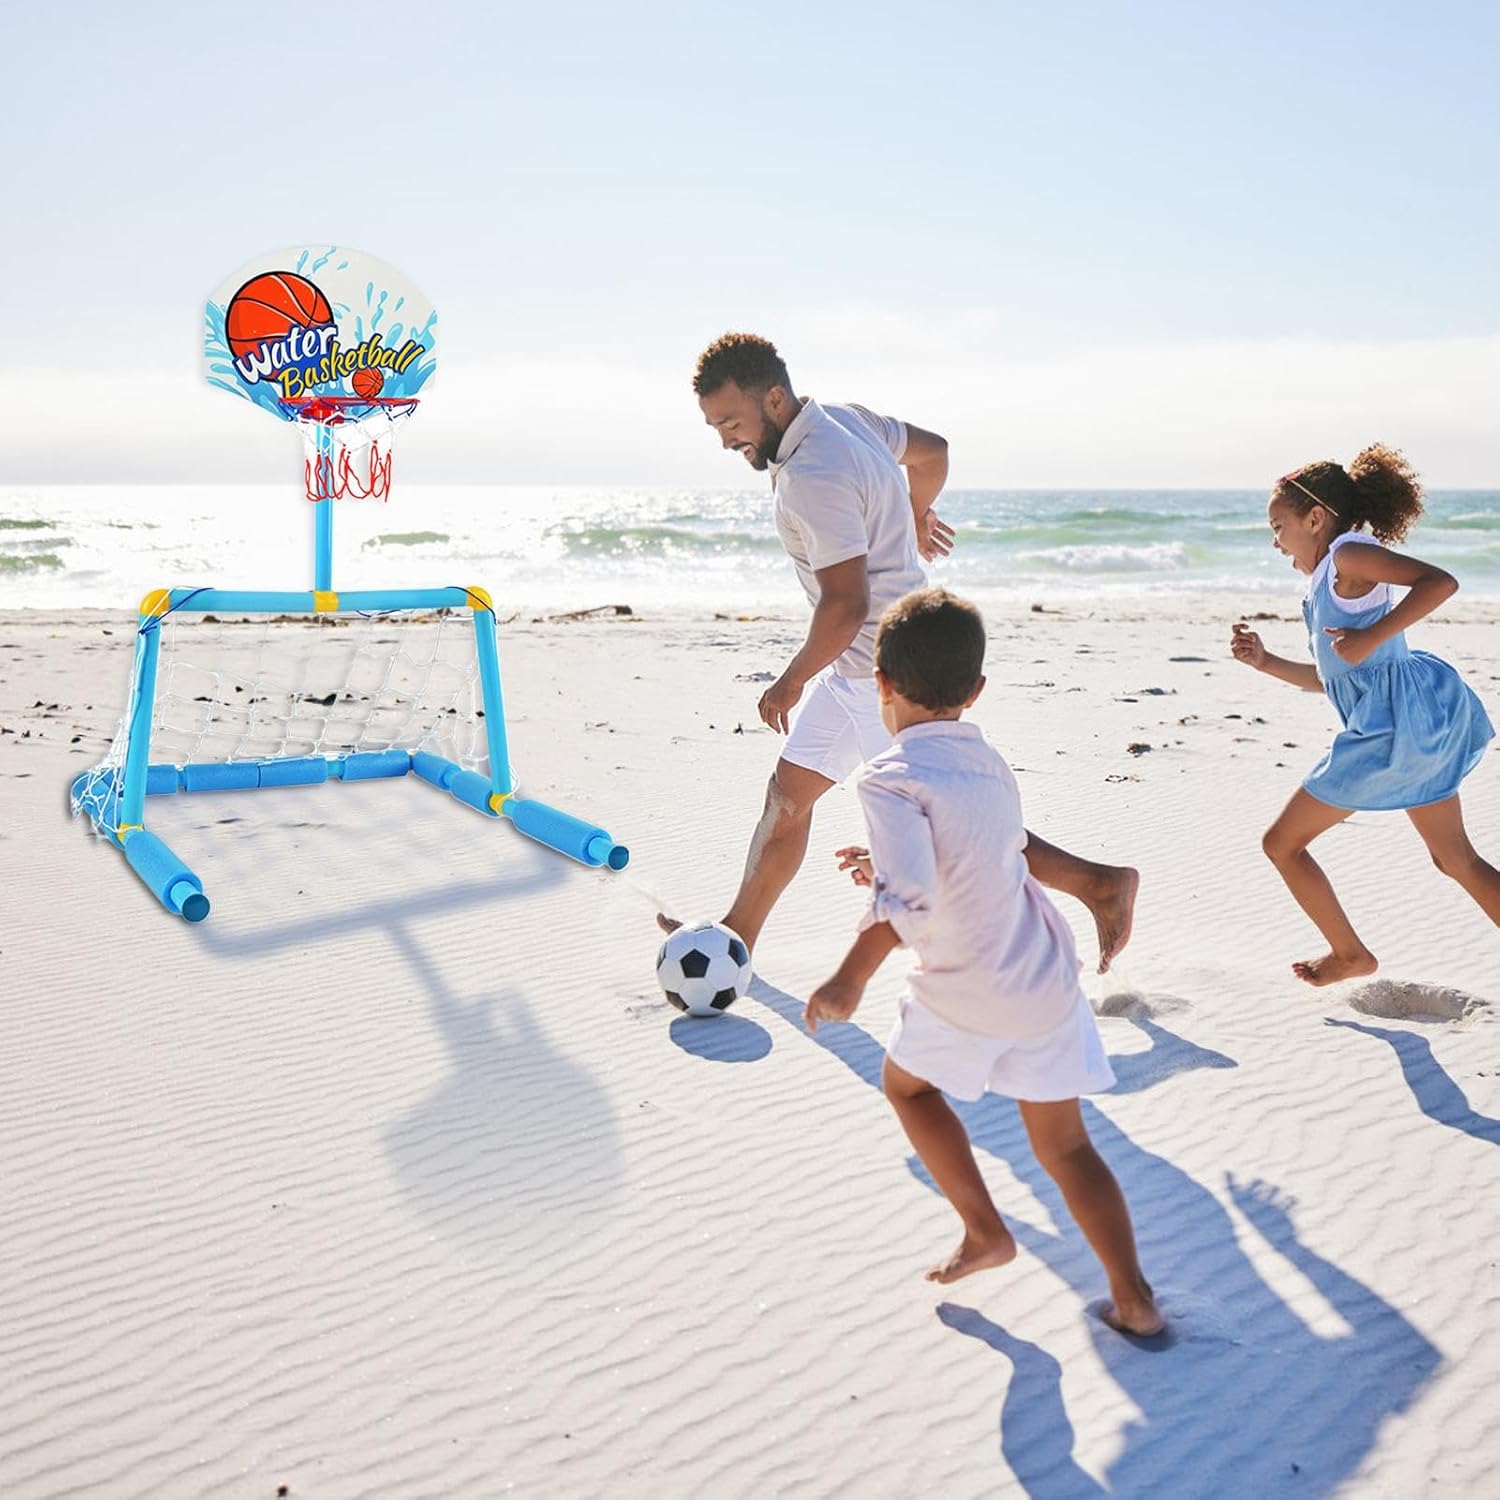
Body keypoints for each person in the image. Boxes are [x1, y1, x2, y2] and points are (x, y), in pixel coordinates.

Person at [661, 332, 1138, 967]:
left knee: (958, 829)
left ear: (773, 399)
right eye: (715, 426)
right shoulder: (846, 420)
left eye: (731, 422)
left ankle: (1100, 885)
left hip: (884, 677)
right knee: (788, 796)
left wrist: (790, 680)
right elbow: (934, 451)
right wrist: (915, 511)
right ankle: (735, 939)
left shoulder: (809, 475)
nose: (725, 440)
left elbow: (845, 604)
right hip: (867, 664)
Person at [805, 588, 1161, 1335]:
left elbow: (911, 898)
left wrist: (849, 976)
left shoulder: (887, 777)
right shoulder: (991, 764)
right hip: (1043, 977)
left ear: (881, 684)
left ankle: (984, 1230)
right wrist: (883, 865)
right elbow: (981, 855)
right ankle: (1134, 1300)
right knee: (1067, 1147)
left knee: (908, 1089)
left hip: (965, 984)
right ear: (976, 690)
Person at [1231, 445, 1497, 985]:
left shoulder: (1349, 556)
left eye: (1279, 527)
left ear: (1315, 518)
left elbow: (1440, 583)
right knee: (1455, 860)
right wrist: (1265, 662)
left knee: (1282, 844)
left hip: (1393, 729)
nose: (1276, 541)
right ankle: (1350, 953)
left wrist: (1372, 636)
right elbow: (1335, 675)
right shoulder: (1326, 578)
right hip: (1411, 723)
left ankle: (1350, 954)